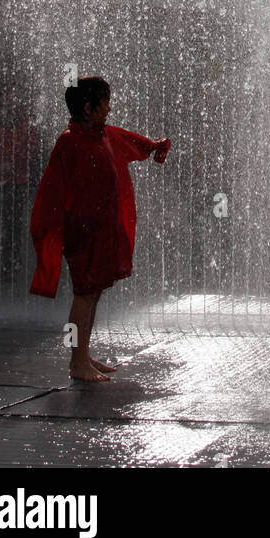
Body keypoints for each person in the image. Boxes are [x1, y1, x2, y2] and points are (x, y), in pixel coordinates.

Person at [30, 77, 171, 382]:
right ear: (87, 108)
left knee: (92, 295)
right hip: (82, 235)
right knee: (84, 295)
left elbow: (128, 140)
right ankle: (76, 362)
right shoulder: (70, 142)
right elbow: (52, 190)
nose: (109, 107)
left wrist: (153, 147)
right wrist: (53, 232)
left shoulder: (101, 135)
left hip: (101, 232)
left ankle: (83, 354)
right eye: (104, 102)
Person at [0, 85, 41, 278]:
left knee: (14, 223)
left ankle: (12, 263)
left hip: (17, 178)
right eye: (6, 96)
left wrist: (14, 163)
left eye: (13, 97)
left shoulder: (25, 124)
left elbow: (32, 146)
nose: (10, 100)